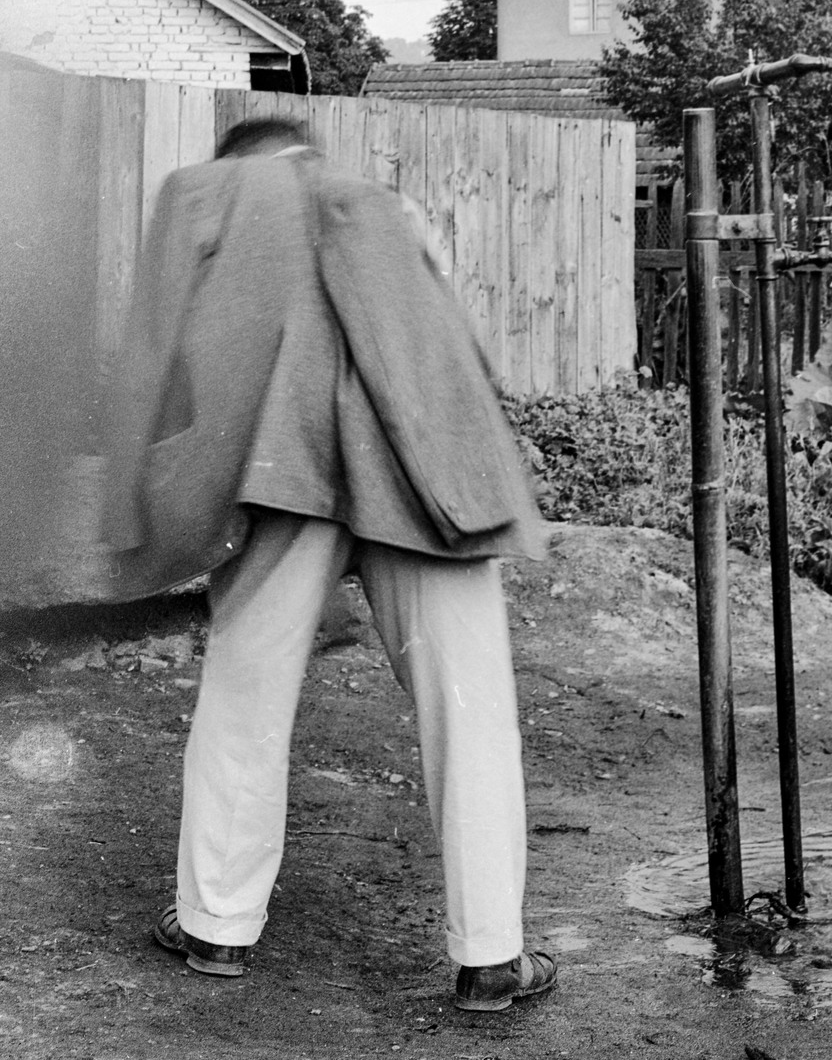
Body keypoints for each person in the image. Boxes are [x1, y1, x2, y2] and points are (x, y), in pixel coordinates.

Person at [99, 116, 554, 1012]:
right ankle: (492, 952)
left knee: (246, 684)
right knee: (468, 699)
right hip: (421, 470)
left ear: (236, 155)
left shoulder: (203, 190)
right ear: (304, 148)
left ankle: (214, 925)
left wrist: (136, 503)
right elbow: (458, 349)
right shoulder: (384, 204)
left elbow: (151, 353)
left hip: (282, 465)